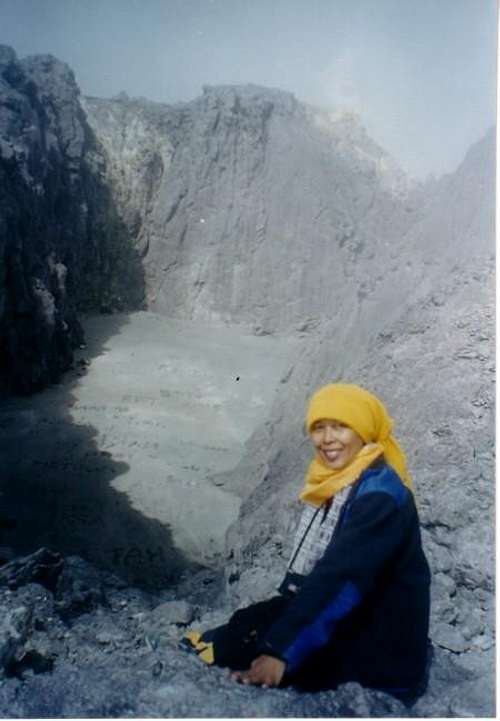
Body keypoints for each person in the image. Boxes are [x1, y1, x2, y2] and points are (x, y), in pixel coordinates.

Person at [181, 383, 431, 701]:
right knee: (249, 623)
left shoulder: (379, 497)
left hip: (381, 656)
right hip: (360, 621)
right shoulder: (342, 480)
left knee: (252, 641)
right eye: (319, 428)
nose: (327, 439)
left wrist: (280, 654)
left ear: (365, 430)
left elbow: (342, 577)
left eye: (341, 426)